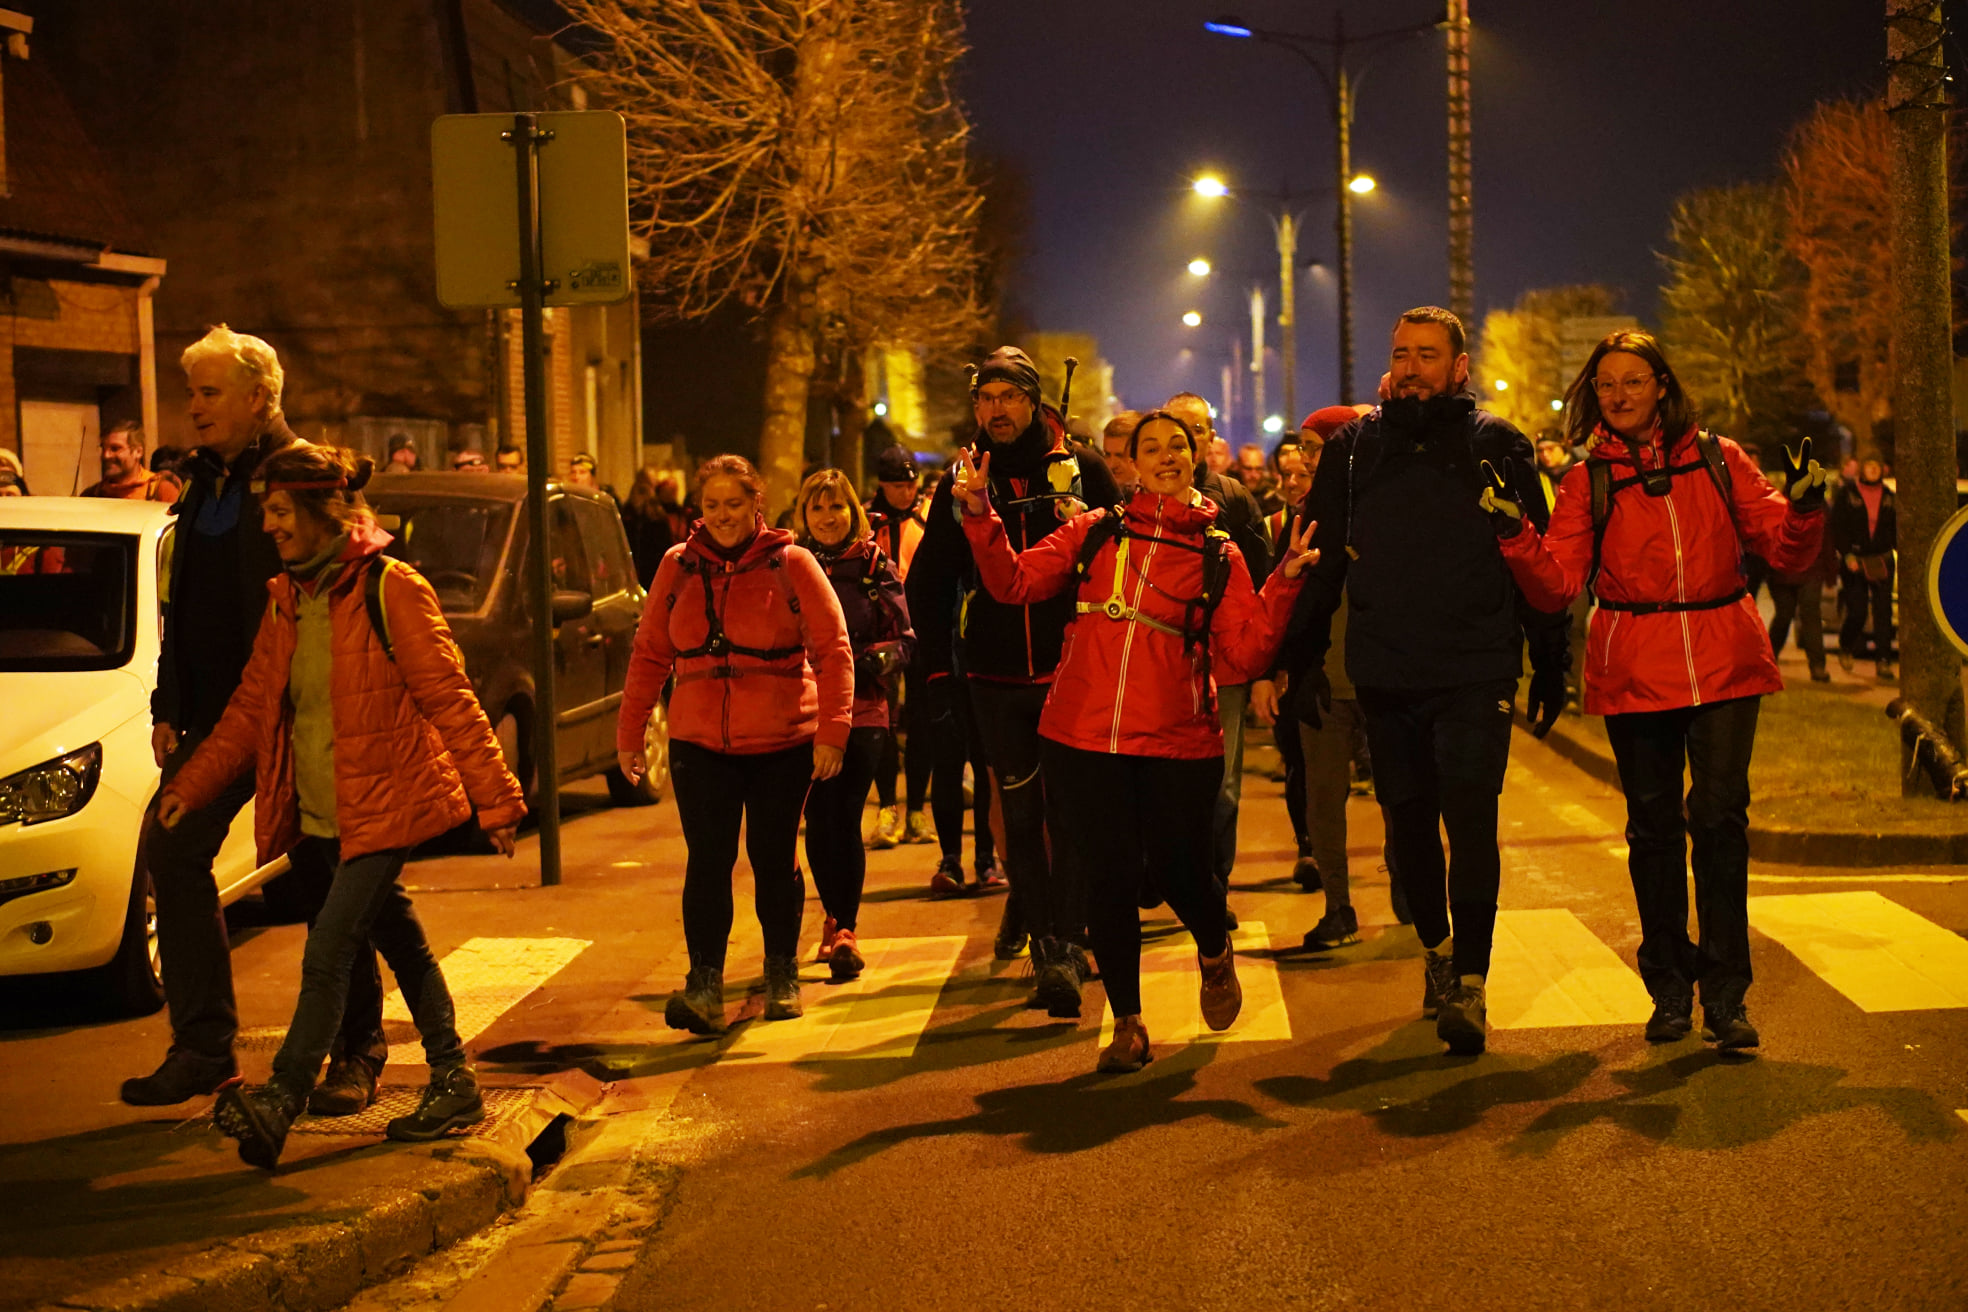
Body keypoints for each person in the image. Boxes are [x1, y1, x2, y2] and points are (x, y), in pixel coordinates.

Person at [158, 444, 525, 1168]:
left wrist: (497, 799)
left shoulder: (391, 588)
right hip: (323, 815)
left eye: (280, 511)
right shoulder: (289, 598)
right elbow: (251, 708)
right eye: (266, 512)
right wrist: (190, 788)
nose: (270, 526)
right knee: (405, 945)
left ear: (324, 512)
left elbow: (450, 698)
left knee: (327, 950)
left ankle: (280, 1100)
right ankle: (455, 1081)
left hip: (382, 806)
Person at [1492, 329, 1826, 1050]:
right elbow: (1556, 586)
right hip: (1636, 663)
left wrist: (1803, 509)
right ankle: (1669, 987)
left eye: (1632, 381)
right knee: (1652, 829)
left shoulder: (1719, 457)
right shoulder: (1588, 480)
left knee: (1719, 819)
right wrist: (1517, 534)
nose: (1617, 395)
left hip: (1724, 656)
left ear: (1662, 386)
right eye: (1606, 384)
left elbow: (1784, 549)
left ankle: (1727, 995)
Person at [952, 411, 1317, 1071]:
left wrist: (1284, 580)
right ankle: (1129, 1024)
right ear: (1132, 464)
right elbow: (1014, 582)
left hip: (1178, 740)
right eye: (1150, 448)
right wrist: (980, 513)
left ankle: (1213, 947)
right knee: (1109, 880)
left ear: (1195, 456)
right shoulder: (1095, 532)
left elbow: (1243, 655)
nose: (1165, 456)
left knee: (1182, 870)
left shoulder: (1220, 553)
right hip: (1082, 737)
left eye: (1176, 445)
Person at [1290, 306, 1570, 1056]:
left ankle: (1471, 982)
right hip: (1386, 667)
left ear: (1459, 366)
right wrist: (1303, 658)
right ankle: (1439, 953)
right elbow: (1319, 560)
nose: (1412, 367)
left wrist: (1550, 660)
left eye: (1427, 354)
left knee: (1471, 817)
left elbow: (1536, 560)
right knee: (1408, 821)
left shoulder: (1499, 445)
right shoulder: (1352, 451)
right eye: (1401, 353)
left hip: (1476, 666)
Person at [125, 325, 391, 1112]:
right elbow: (184, 602)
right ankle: (204, 1046)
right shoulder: (202, 482)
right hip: (218, 716)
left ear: (258, 397)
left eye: (209, 393)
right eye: (192, 392)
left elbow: (342, 583)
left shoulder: (300, 475)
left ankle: (357, 1051)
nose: (194, 408)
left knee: (323, 884)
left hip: (296, 710)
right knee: (172, 853)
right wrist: (171, 704)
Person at [907, 346, 1121, 1012]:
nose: (997, 410)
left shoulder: (1082, 470)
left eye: (1009, 396)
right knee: (1021, 814)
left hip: (1071, 670)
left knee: (1074, 812)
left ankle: (1067, 930)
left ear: (1035, 402)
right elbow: (931, 581)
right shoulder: (964, 479)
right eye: (986, 398)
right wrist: (941, 668)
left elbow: (1122, 555)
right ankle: (1051, 949)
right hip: (995, 674)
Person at [615, 455, 853, 1034]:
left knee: (774, 860)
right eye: (713, 506)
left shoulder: (791, 563)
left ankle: (780, 973)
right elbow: (649, 653)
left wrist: (834, 731)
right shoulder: (677, 566)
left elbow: (833, 648)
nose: (723, 516)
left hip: (780, 743)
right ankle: (704, 984)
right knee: (708, 863)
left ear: (756, 506)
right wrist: (629, 735)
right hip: (699, 745)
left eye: (734, 504)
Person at [794, 469, 914, 980]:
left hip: (863, 709)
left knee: (843, 816)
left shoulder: (873, 565)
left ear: (853, 512)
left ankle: (846, 928)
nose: (827, 518)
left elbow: (905, 639)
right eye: (817, 508)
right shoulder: (789, 564)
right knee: (819, 822)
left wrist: (872, 660)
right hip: (803, 709)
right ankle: (833, 916)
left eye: (836, 507)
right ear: (803, 515)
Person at [1163, 393, 1270, 928]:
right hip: (1160, 666)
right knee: (1163, 779)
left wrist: (1267, 671)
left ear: (1209, 438)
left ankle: (1212, 887)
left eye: (1197, 430)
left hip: (1223, 667)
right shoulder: (1140, 501)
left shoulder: (1234, 500)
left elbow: (1262, 588)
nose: (1186, 441)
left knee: (1222, 786)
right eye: (1175, 429)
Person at [864, 445, 929, 848]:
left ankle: (918, 809)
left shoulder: (927, 517)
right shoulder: (866, 522)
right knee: (883, 722)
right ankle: (888, 807)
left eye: (911, 484)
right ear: (881, 485)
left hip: (921, 629)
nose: (906, 492)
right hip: (880, 632)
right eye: (897, 486)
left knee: (922, 720)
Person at [1830, 457, 1896, 680]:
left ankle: (1883, 661)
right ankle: (1847, 644)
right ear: (1862, 470)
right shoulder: (1847, 494)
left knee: (1883, 612)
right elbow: (1837, 526)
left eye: (1877, 467)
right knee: (1857, 610)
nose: (1873, 470)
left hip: (1881, 560)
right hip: (1855, 561)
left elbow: (1896, 529)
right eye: (1870, 466)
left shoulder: (1889, 497)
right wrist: (1847, 554)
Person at [1769, 492, 1834, 682]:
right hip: (1784, 571)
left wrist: (1830, 571)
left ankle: (1817, 666)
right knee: (1784, 615)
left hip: (1811, 568)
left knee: (1810, 614)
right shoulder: (1780, 502)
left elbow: (1828, 538)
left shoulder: (1820, 506)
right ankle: (1769, 660)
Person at [620, 464, 679, 588]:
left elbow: (664, 543)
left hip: (653, 573)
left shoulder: (657, 512)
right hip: (632, 573)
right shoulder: (628, 512)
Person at [81, 421, 170, 500]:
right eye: (103, 449)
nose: (106, 455)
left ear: (138, 452)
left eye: (115, 449)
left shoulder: (161, 490)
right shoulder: (92, 495)